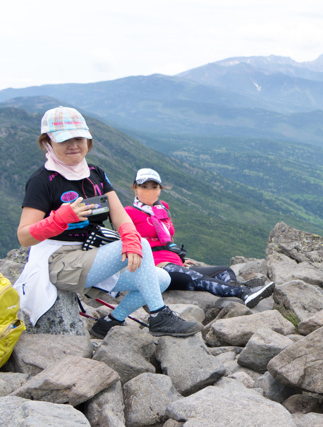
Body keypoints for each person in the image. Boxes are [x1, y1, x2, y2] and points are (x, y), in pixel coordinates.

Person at [15, 107, 202, 339]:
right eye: (64, 139)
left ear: (88, 139)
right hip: (60, 262)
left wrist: (131, 239)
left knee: (161, 278)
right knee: (143, 246)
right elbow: (24, 236)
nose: (73, 145)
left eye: (79, 138)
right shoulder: (42, 181)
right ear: (48, 142)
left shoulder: (95, 173)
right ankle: (159, 316)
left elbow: (119, 215)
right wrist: (59, 219)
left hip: (92, 256)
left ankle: (110, 322)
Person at [124, 168, 275, 307]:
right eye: (144, 187)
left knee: (225, 271)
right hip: (156, 267)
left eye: (154, 187)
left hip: (174, 263)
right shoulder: (128, 212)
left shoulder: (162, 208)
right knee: (198, 278)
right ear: (135, 188)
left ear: (160, 189)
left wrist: (179, 259)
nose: (149, 191)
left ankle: (232, 294)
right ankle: (244, 292)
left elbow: (166, 240)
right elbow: (127, 242)